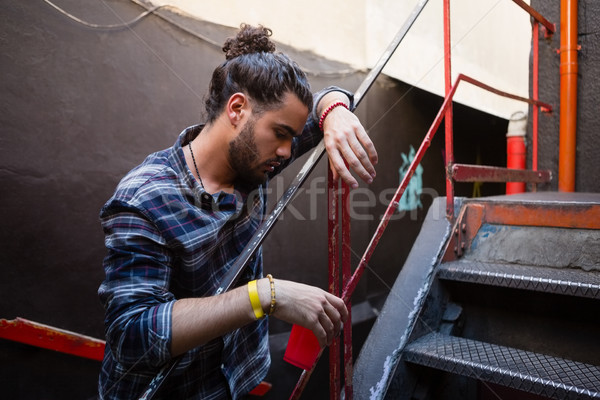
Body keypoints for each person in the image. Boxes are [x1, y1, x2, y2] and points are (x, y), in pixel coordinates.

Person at [98, 24, 378, 399]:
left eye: (292, 139)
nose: (286, 151)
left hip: (234, 381)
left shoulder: (254, 161)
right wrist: (263, 295)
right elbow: (132, 335)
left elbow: (325, 100)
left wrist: (335, 111)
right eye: (280, 134)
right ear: (237, 109)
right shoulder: (145, 197)